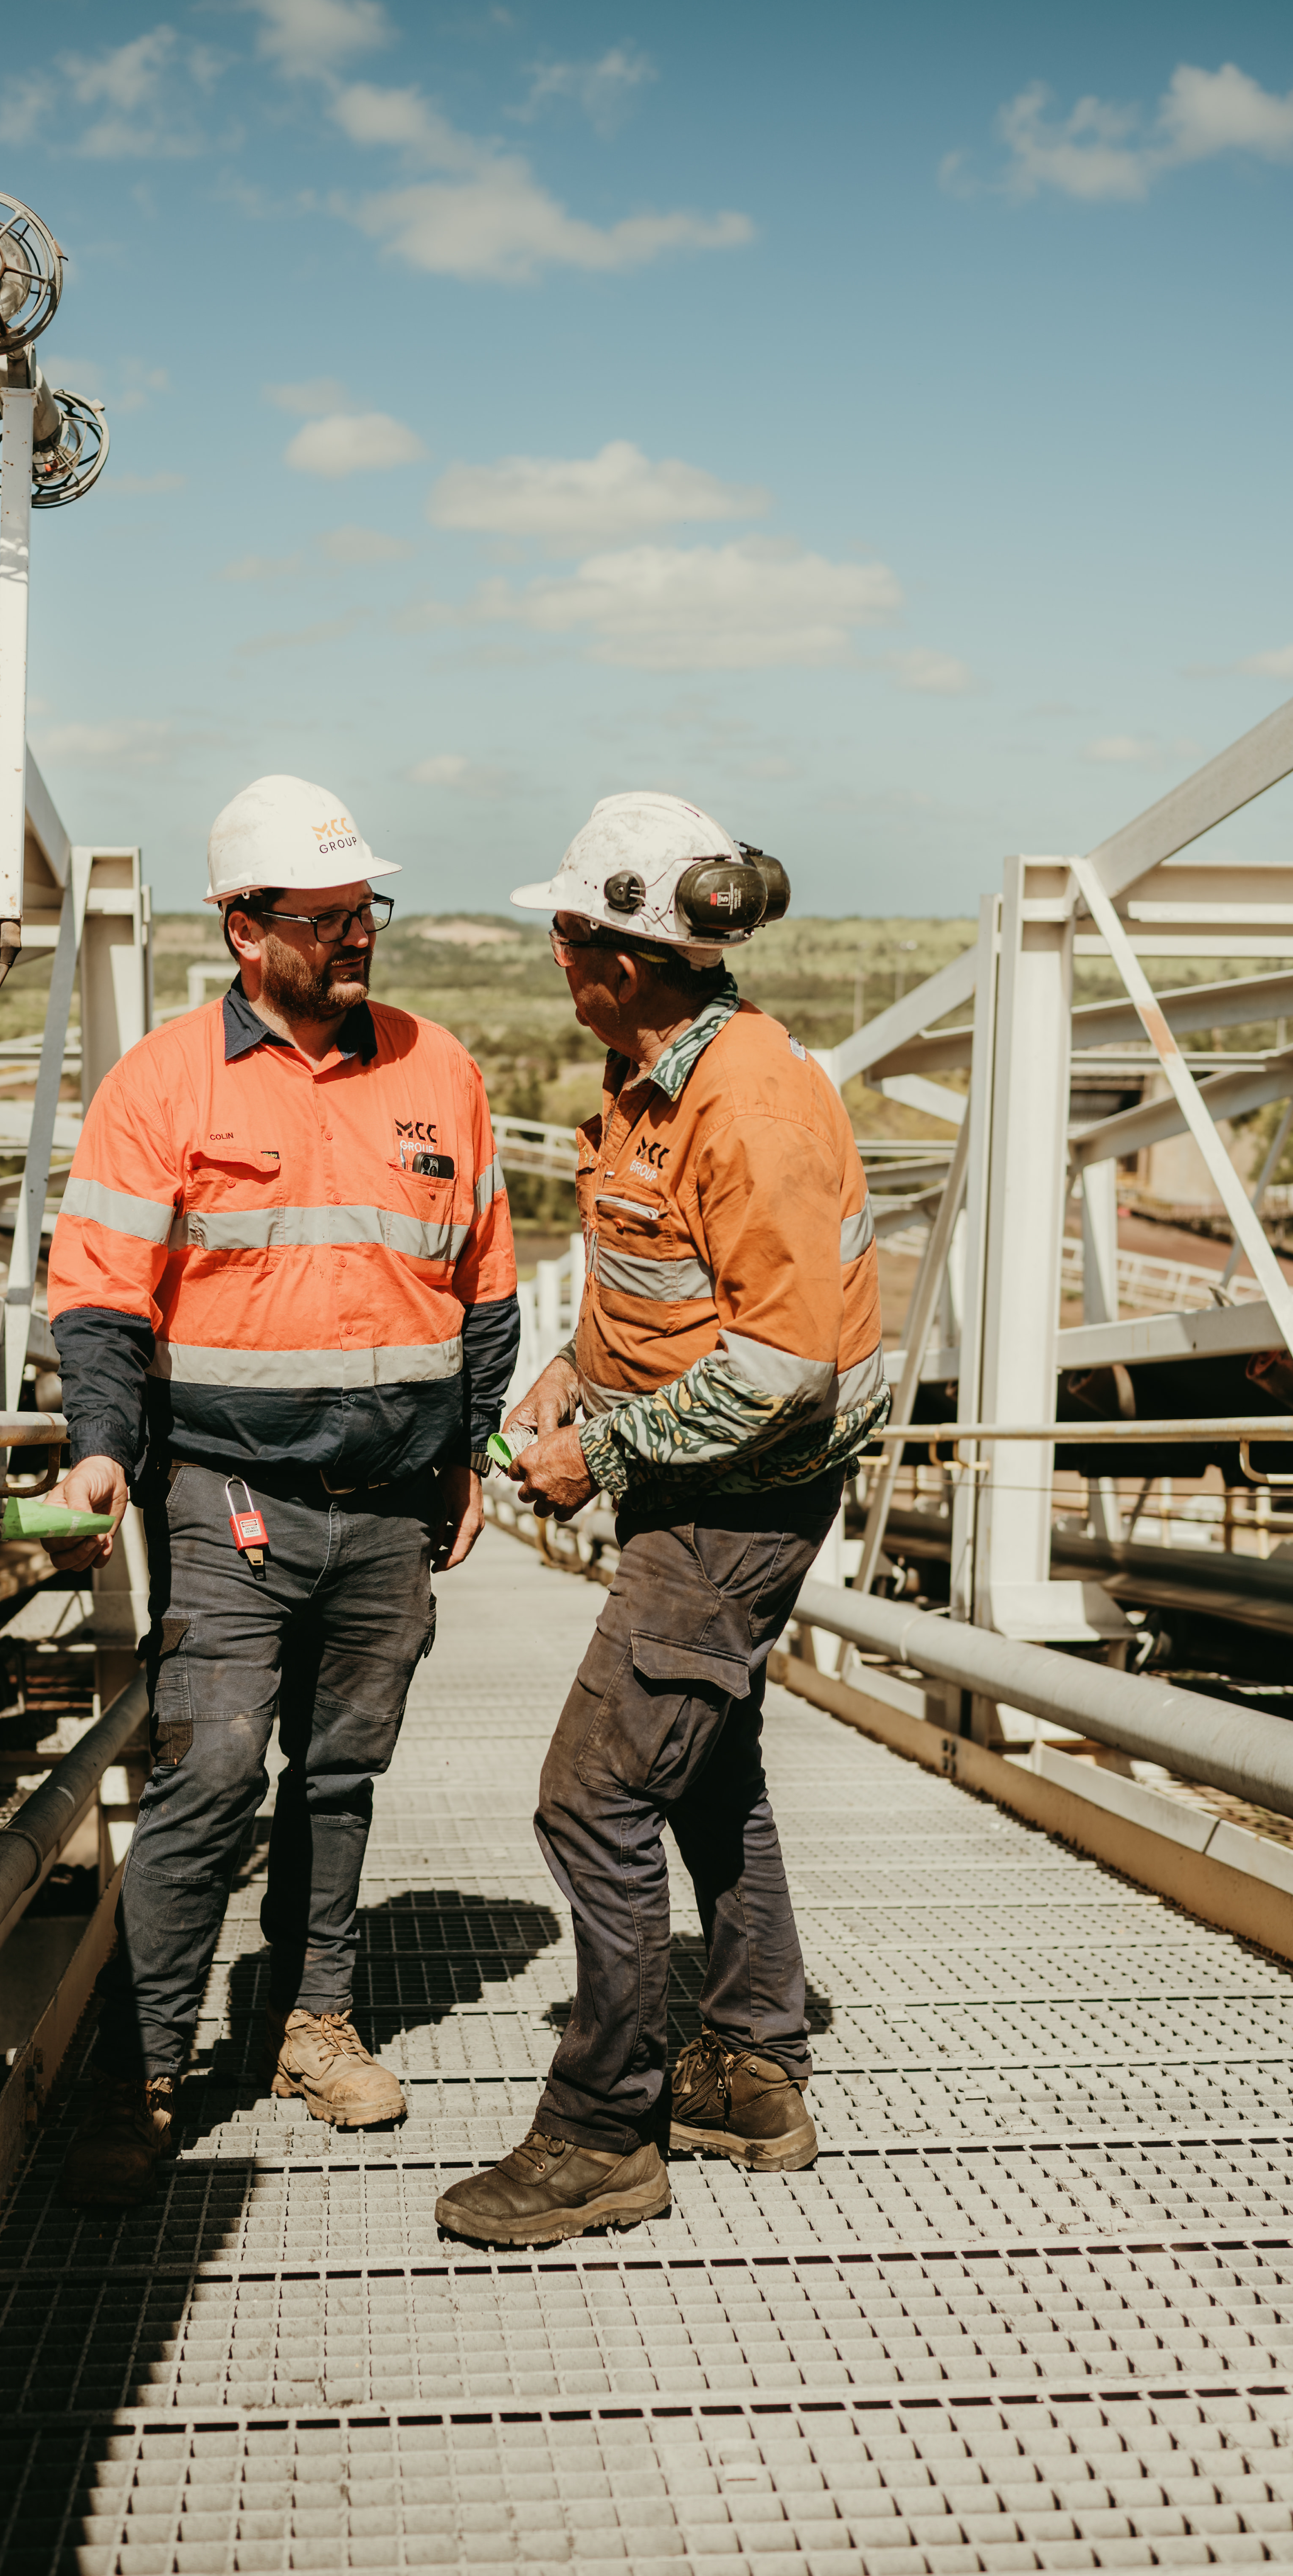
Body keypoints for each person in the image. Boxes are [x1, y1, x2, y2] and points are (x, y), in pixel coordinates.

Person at [42, 773, 519, 2205]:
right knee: (208, 1777)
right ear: (245, 931)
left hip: (392, 1505)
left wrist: (469, 1450)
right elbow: (102, 1296)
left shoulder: (439, 1069)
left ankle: (313, 2023)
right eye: (324, 917)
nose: (357, 934)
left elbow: (486, 1288)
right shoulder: (165, 1083)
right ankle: (143, 2072)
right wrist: (101, 1444)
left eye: (367, 909)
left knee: (340, 1775)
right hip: (229, 1497)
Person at [435, 791, 889, 2249]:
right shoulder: (656, 1082)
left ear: (621, 960)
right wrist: (572, 1376)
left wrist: (605, 1450)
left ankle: (601, 2135)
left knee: (595, 1794)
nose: (557, 962)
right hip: (702, 1487)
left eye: (567, 939)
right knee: (703, 1774)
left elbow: (780, 1369)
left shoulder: (744, 1105)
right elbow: (662, 1282)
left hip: (735, 1500)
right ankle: (751, 2067)